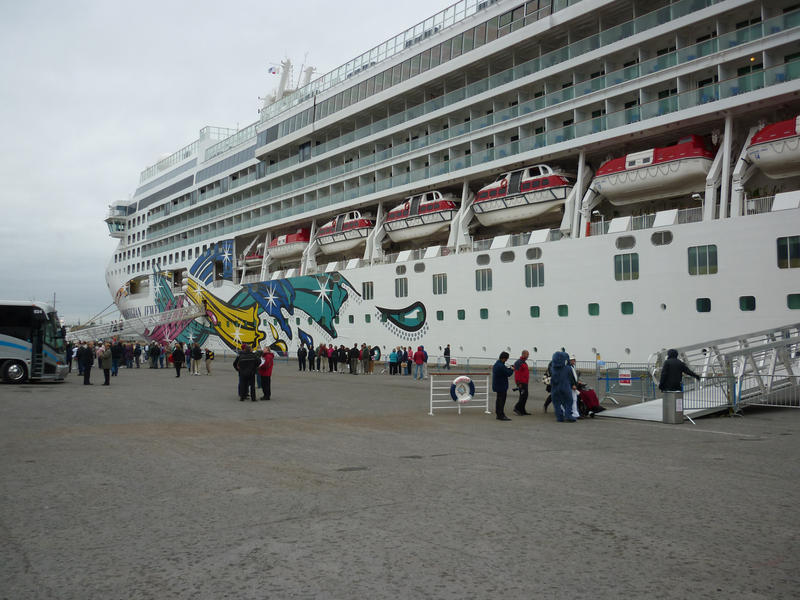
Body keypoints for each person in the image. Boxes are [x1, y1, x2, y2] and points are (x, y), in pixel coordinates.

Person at [549, 350, 576, 422]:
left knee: (557, 403)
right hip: (565, 387)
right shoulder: (568, 368)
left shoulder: (553, 369)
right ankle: (568, 415)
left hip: (555, 388)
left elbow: (552, 378)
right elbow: (571, 378)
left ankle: (559, 417)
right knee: (568, 401)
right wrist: (573, 384)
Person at [492, 351, 515, 421]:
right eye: (506, 359)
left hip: (498, 385)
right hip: (501, 386)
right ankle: (501, 415)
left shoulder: (497, 364)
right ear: (504, 358)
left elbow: (504, 371)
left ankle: (498, 414)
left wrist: (508, 368)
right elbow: (508, 374)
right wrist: (512, 369)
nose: (506, 360)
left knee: (499, 400)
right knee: (501, 401)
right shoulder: (501, 365)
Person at [513, 350, 531, 416]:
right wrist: (518, 383)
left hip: (525, 382)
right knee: (523, 396)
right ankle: (516, 408)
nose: (528, 356)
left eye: (528, 354)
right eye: (527, 354)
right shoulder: (519, 362)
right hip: (521, 382)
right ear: (523, 354)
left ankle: (522, 410)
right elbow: (517, 373)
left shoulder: (524, 362)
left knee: (525, 396)